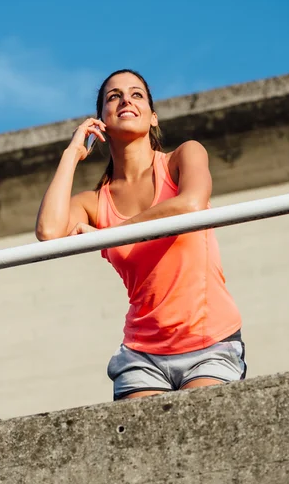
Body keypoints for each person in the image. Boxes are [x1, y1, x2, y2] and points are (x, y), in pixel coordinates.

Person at [36, 69, 246, 400]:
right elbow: (48, 232)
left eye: (136, 95)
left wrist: (110, 234)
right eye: (113, 96)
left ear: (153, 117)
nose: (125, 101)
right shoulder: (94, 202)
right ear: (101, 120)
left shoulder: (183, 157)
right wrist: (71, 154)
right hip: (141, 354)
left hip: (210, 343)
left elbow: (190, 205)